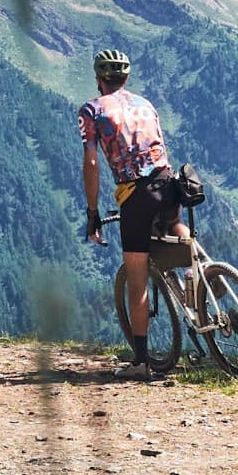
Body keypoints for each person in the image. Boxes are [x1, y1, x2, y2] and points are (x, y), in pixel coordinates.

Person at [79, 48, 184, 379]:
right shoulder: (145, 104)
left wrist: (93, 212)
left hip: (136, 194)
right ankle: (201, 279)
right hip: (169, 183)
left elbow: (92, 162)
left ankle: (140, 363)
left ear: (99, 79)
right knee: (175, 225)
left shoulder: (92, 111)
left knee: (136, 279)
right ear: (126, 78)